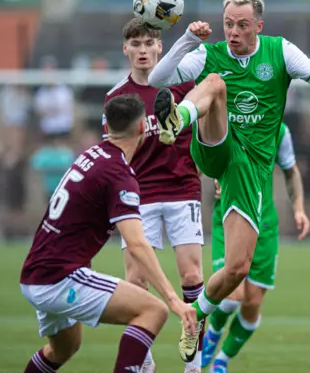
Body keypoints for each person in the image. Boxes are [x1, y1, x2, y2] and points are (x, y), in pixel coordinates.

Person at [147, 0, 310, 361]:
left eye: (241, 25)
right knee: (216, 84)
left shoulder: (280, 51)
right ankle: (177, 119)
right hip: (213, 147)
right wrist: (189, 39)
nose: (233, 32)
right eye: (227, 25)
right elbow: (158, 79)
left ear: (258, 26)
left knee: (237, 271)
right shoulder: (210, 54)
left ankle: (197, 315)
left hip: (247, 170)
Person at [19, 94, 196, 373]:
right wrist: (174, 300)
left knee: (64, 348)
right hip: (58, 277)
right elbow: (137, 244)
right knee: (154, 311)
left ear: (106, 126)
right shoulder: (118, 173)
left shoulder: (92, 154)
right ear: (142, 128)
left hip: (34, 274)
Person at [103, 19, 205, 373]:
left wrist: (219, 172)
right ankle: (143, 361)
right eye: (137, 44)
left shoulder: (184, 83)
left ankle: (195, 360)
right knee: (136, 281)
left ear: (161, 47)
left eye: (150, 43)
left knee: (191, 276)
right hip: (139, 195)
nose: (143, 50)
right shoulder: (117, 98)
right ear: (126, 49)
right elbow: (115, 154)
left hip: (182, 187)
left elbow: (207, 131)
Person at [202, 122, 310, 372]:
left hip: (264, 224)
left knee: (251, 304)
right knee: (232, 297)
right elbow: (203, 157)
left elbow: (291, 171)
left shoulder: (279, 130)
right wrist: (215, 174)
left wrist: (299, 209)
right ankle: (214, 331)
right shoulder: (226, 121)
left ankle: (222, 361)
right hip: (230, 216)